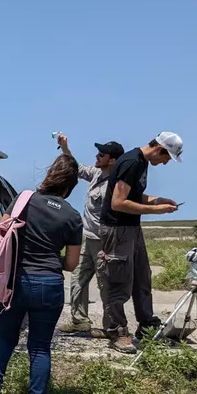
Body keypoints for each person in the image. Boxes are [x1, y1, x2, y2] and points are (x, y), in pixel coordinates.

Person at [0, 154, 83, 394]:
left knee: (5, 336)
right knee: (39, 348)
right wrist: (52, 257)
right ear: (70, 185)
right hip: (49, 285)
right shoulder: (73, 216)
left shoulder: (23, 200)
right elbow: (71, 264)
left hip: (16, 282)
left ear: (50, 174)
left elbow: (0, 233)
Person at [98, 132, 182, 354]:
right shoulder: (131, 162)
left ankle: (147, 327)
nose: (165, 163)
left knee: (142, 278)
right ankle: (117, 332)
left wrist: (157, 200)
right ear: (159, 149)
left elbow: (134, 196)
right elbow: (118, 203)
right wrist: (156, 210)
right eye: (166, 158)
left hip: (132, 228)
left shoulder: (141, 162)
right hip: (117, 229)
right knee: (118, 282)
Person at [55, 134, 124, 337]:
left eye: (102, 154)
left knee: (106, 285)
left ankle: (111, 327)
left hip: (104, 242)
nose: (97, 156)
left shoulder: (116, 184)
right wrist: (65, 147)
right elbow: (75, 168)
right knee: (77, 279)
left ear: (112, 160)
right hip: (88, 239)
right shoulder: (96, 174)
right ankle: (80, 321)